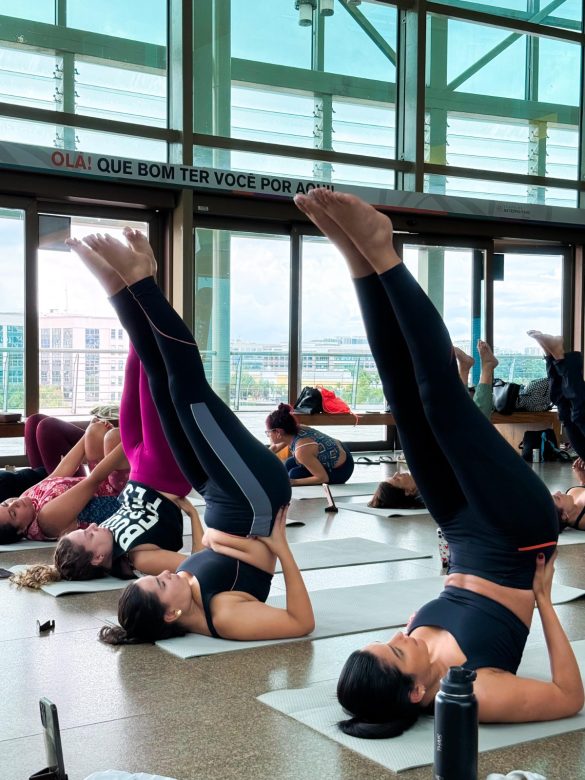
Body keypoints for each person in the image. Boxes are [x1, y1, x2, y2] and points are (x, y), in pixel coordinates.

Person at [294, 187, 583, 738]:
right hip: (519, 537)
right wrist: (544, 603)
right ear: (416, 693)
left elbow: (446, 607)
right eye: (398, 652)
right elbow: (568, 698)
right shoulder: (471, 690)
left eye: (385, 642)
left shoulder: (408, 656)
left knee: (404, 402)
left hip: (460, 530)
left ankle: (358, 262)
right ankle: (381, 252)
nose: (400, 638)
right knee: (442, 404)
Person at [63, 230, 314, 645]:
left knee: (162, 387)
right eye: (161, 584)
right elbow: (301, 623)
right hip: (254, 499)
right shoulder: (224, 617)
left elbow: (204, 554)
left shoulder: (183, 594)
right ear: (173, 614)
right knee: (188, 391)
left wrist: (198, 520)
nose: (162, 574)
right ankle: (140, 283)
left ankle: (119, 286)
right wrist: (283, 549)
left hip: (215, 496)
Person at [11, 344, 204, 587]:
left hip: (140, 472)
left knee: (133, 375)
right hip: (162, 476)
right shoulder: (139, 558)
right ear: (98, 557)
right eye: (89, 534)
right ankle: (152, 322)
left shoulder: (106, 534)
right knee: (151, 383)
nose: (91, 526)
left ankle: (138, 325)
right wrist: (194, 515)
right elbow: (198, 566)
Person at [369, 342, 498, 509]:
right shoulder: (431, 492)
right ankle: (486, 367)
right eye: (396, 479)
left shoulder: (423, 480)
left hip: (457, 443)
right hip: (471, 451)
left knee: (456, 411)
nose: (397, 473)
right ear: (408, 491)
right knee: (474, 417)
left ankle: (465, 369)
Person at [0, 419, 129, 546]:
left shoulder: (25, 499)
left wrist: (87, 433)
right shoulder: (46, 520)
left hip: (104, 482)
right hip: (119, 497)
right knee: (113, 438)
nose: (14, 503)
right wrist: (129, 443)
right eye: (13, 513)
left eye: (6, 503)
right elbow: (94, 479)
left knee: (95, 431)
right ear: (21, 530)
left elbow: (59, 473)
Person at [528, 331, 585, 531]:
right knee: (580, 414)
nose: (559, 492)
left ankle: (551, 356)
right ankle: (559, 356)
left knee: (564, 411)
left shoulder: (572, 501)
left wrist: (582, 480)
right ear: (566, 516)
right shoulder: (583, 520)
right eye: (557, 499)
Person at [265, 403, 354, 486]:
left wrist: (292, 482)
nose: (268, 435)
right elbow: (274, 447)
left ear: (278, 432)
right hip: (341, 450)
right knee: (289, 463)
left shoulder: (302, 450)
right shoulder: (293, 429)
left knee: (294, 474)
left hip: (342, 469)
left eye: (268, 432)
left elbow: (323, 478)